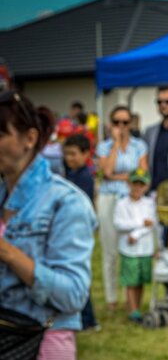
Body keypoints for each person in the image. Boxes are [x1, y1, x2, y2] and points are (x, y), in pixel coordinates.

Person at [0, 90, 96, 360]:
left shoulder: (66, 202)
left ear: (29, 138)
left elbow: (74, 294)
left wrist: (8, 253)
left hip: (41, 359)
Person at [96, 105, 148, 311]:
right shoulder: (104, 147)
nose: (121, 126)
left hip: (131, 199)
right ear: (111, 124)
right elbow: (107, 171)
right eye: (117, 122)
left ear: (131, 124)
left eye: (125, 122)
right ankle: (110, 298)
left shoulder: (140, 146)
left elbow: (142, 175)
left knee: (132, 249)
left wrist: (121, 176)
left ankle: (131, 300)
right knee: (109, 250)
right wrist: (116, 145)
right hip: (109, 198)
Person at [63, 133, 100, 331]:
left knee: (78, 275)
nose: (69, 158)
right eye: (66, 154)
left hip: (78, 230)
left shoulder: (84, 176)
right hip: (70, 229)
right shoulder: (70, 173)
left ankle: (88, 319)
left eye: (74, 154)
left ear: (86, 154)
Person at [113, 168, 156, 323]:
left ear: (146, 186)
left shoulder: (150, 204)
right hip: (128, 248)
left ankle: (136, 306)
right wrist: (139, 224)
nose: (137, 187)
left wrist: (135, 234)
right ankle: (133, 310)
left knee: (141, 280)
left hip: (145, 248)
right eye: (135, 184)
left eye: (141, 184)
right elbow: (119, 224)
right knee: (130, 280)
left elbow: (151, 223)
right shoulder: (121, 204)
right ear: (129, 184)